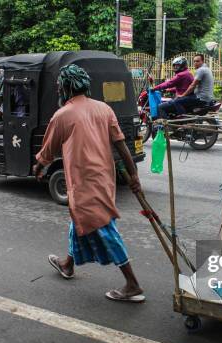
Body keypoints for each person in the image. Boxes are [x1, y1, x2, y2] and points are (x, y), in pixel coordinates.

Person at [32, 64, 145, 303]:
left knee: (103, 228)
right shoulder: (104, 109)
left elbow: (48, 150)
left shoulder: (63, 115)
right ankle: (67, 264)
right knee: (80, 219)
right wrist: (133, 175)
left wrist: (39, 166)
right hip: (104, 178)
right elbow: (121, 145)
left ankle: (132, 284)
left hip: (85, 181)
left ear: (65, 87)